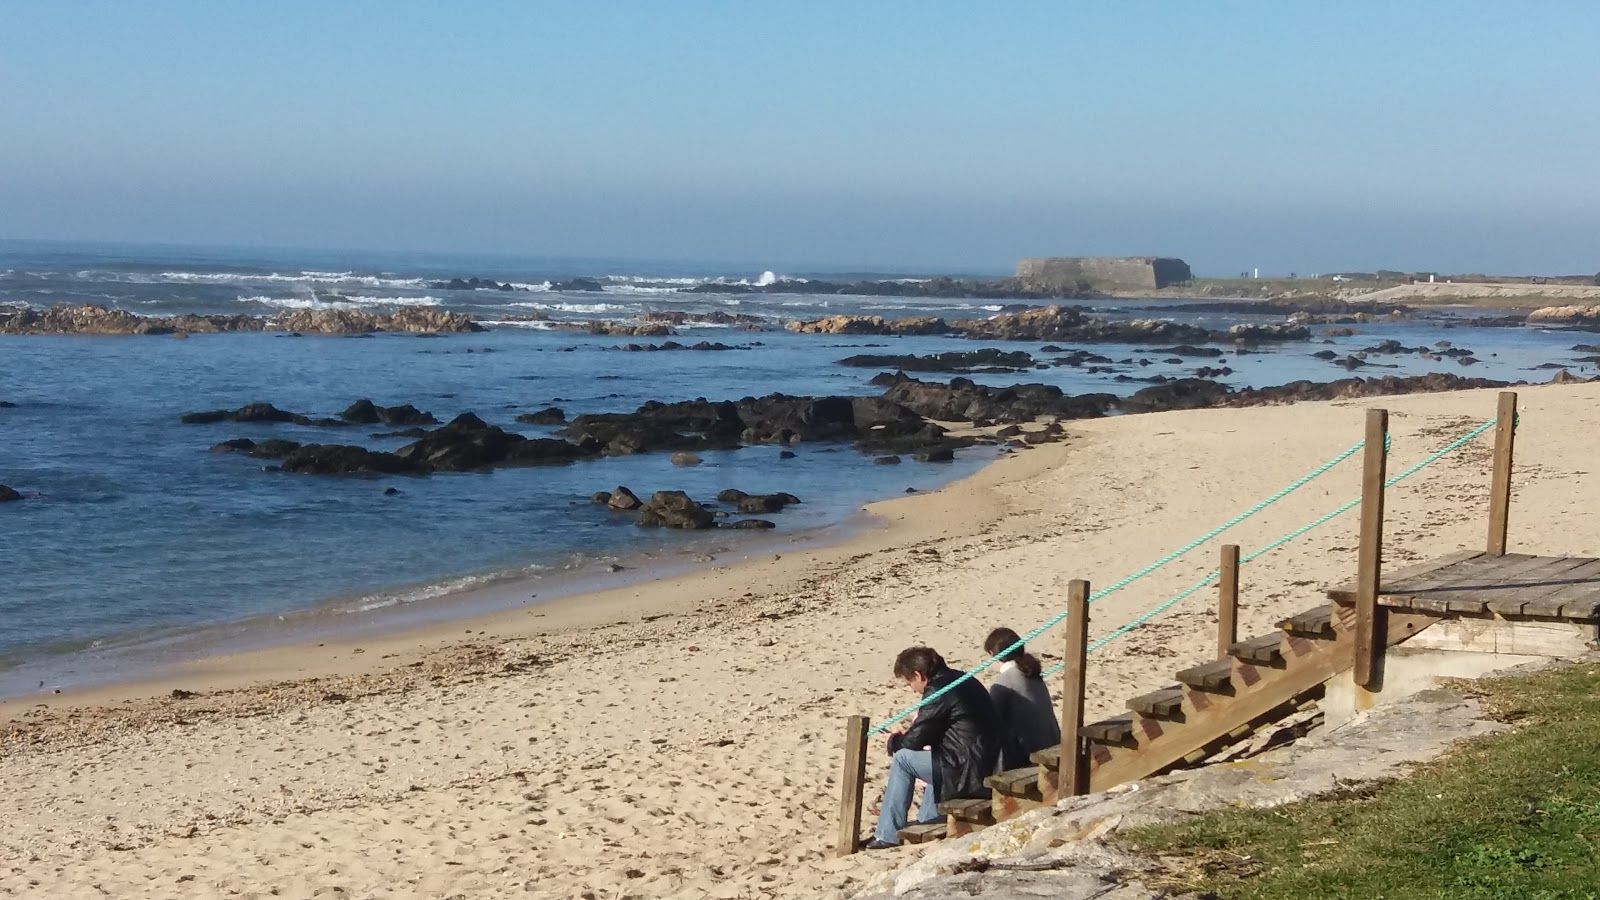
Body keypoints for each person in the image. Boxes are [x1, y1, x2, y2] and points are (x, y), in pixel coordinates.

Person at [865, 646, 1000, 850]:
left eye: (910, 682)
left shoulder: (938, 690)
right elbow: (930, 730)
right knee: (934, 757)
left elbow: (914, 740)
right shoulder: (962, 678)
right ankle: (928, 820)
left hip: (968, 768)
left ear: (919, 675)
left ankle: (887, 834)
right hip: (984, 758)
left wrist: (893, 742)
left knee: (903, 759)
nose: (912, 688)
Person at [984, 627, 1061, 771]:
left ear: (992, 654)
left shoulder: (1005, 680)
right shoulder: (1031, 672)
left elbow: (991, 722)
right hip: (1053, 743)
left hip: (1028, 755)